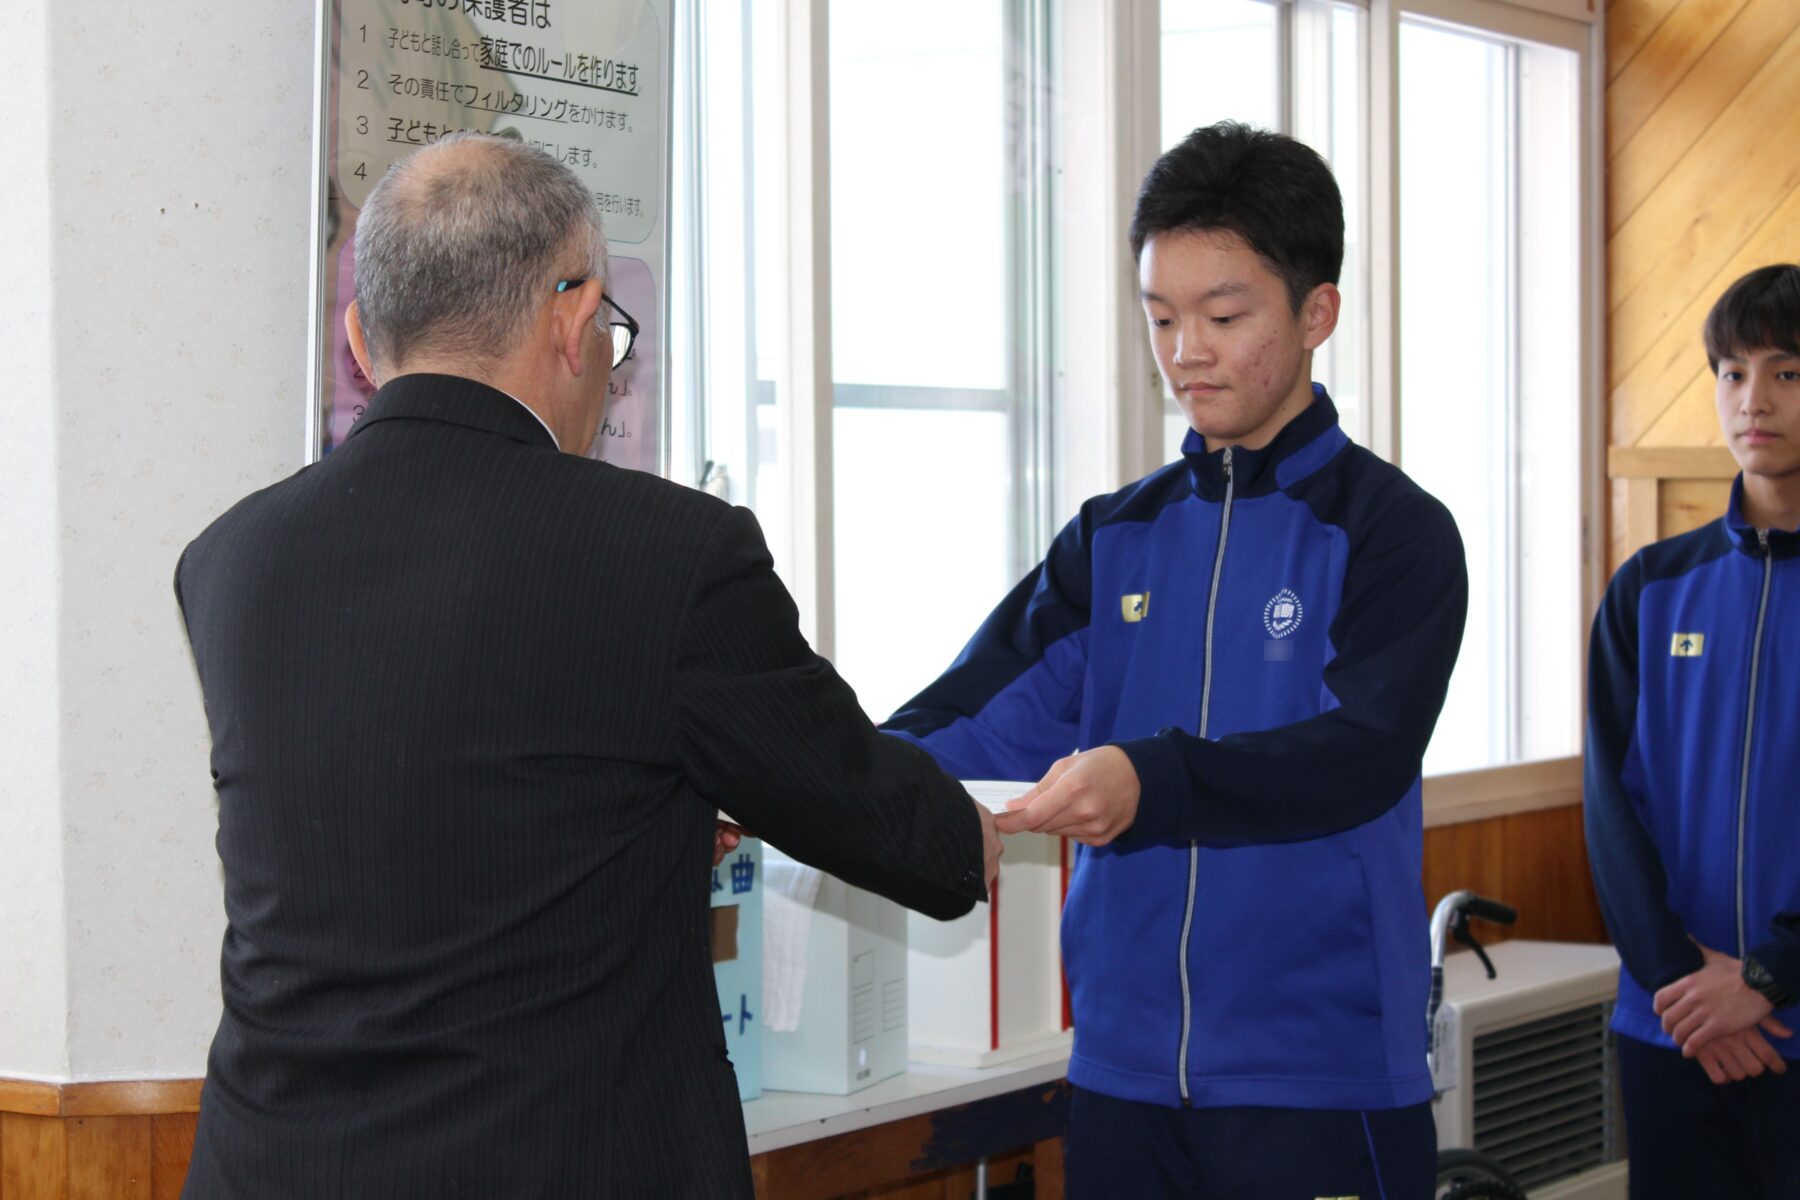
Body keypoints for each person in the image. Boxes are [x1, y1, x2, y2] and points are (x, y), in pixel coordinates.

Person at [173, 132, 1000, 1200]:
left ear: (361, 341)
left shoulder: (229, 560)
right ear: (575, 322)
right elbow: (907, 839)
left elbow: (411, 818)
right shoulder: (672, 556)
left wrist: (640, 819)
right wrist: (969, 831)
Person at [884, 121, 1467, 1198]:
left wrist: (1154, 780)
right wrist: (810, 779)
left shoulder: (1393, 533)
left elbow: (1357, 755)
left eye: (1224, 315)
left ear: (1317, 313)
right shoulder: (1116, 539)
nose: (1185, 350)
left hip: (1320, 1083)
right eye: (1160, 317)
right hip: (1123, 1081)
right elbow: (973, 719)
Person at [1585, 263, 1800, 1200]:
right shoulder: (1648, 588)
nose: (1755, 400)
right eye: (1733, 371)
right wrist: (1686, 988)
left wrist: (1767, 977)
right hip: (1669, 1027)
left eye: (1789, 372)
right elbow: (1608, 807)